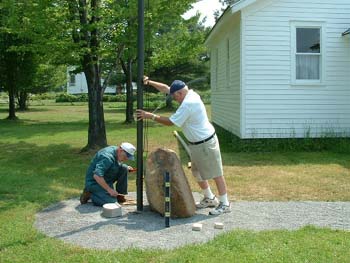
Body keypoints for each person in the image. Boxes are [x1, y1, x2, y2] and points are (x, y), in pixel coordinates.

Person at [136, 77, 231, 215]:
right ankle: (210, 198)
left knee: (216, 173)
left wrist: (150, 116)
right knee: (197, 172)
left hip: (205, 143)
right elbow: (165, 88)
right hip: (196, 143)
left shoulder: (189, 103)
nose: (175, 100)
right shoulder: (187, 92)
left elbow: (170, 122)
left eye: (175, 97)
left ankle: (225, 203)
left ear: (180, 93)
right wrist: (149, 82)